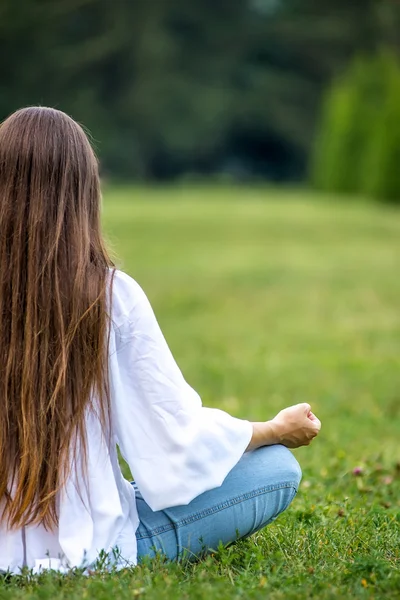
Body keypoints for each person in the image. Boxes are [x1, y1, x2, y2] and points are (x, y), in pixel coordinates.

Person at [0, 107, 321, 575]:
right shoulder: (109, 297)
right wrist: (273, 429)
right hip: (88, 547)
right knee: (276, 470)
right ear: (84, 193)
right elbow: (176, 443)